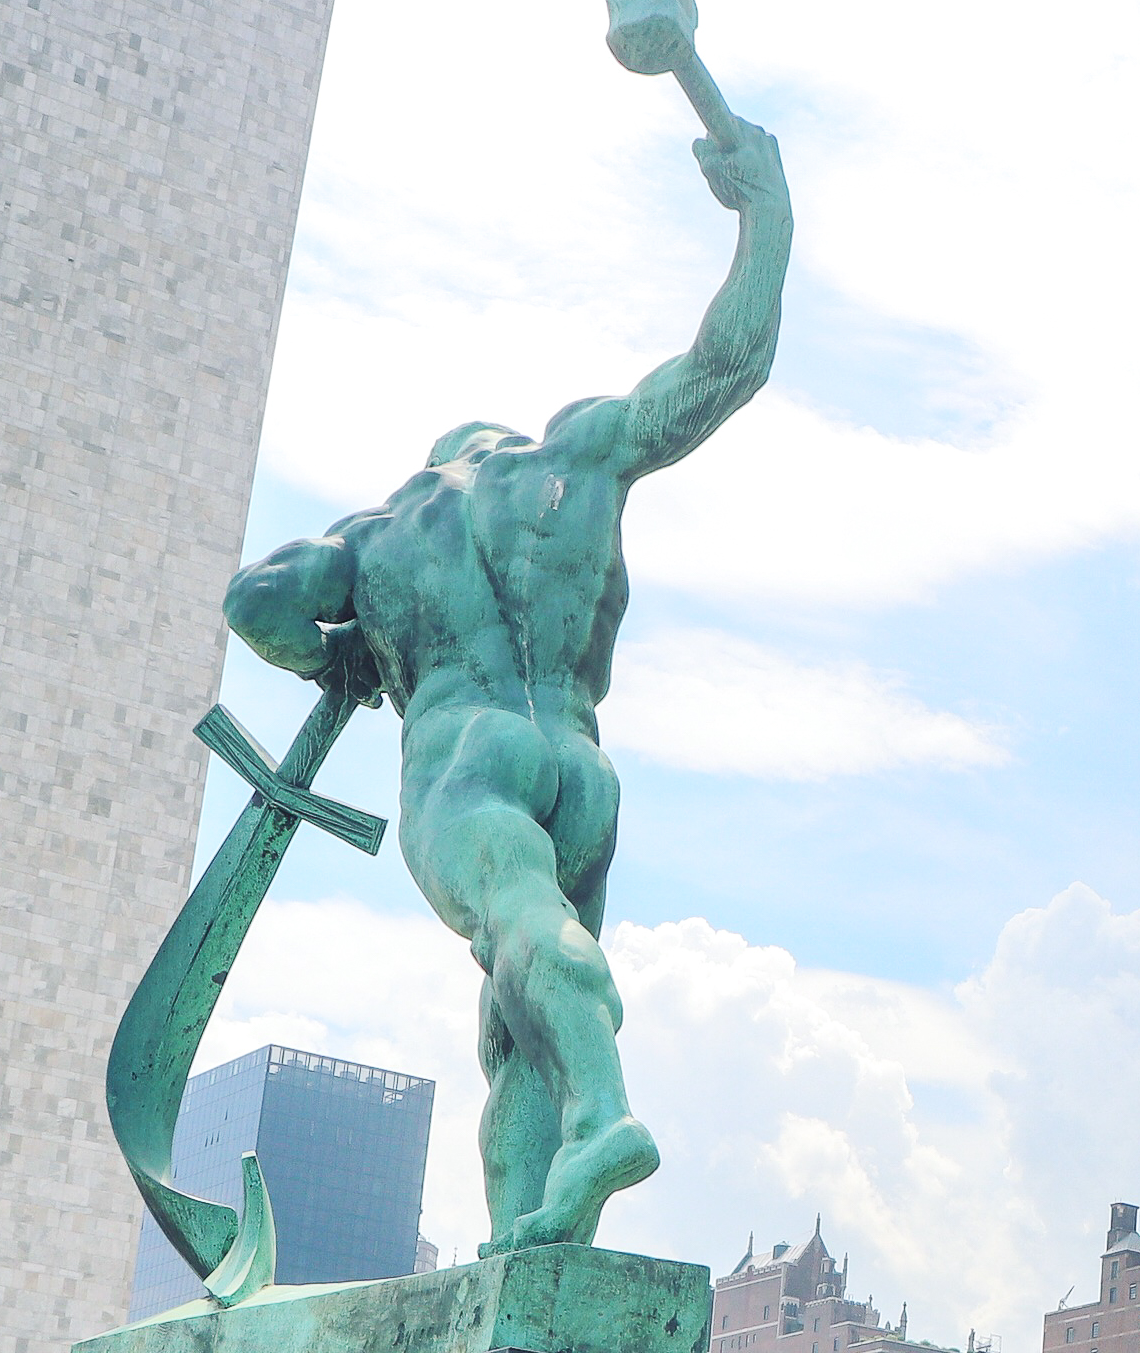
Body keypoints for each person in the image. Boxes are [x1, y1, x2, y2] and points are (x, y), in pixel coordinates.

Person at [223, 95, 789, 1257]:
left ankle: (602, 1112)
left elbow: (255, 601)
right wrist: (765, 220)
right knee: (515, 1019)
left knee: (523, 939)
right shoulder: (579, 453)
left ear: (437, 458)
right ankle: (527, 1246)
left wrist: (346, 653)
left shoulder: (385, 526)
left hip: (467, 755)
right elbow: (724, 366)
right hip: (580, 766)